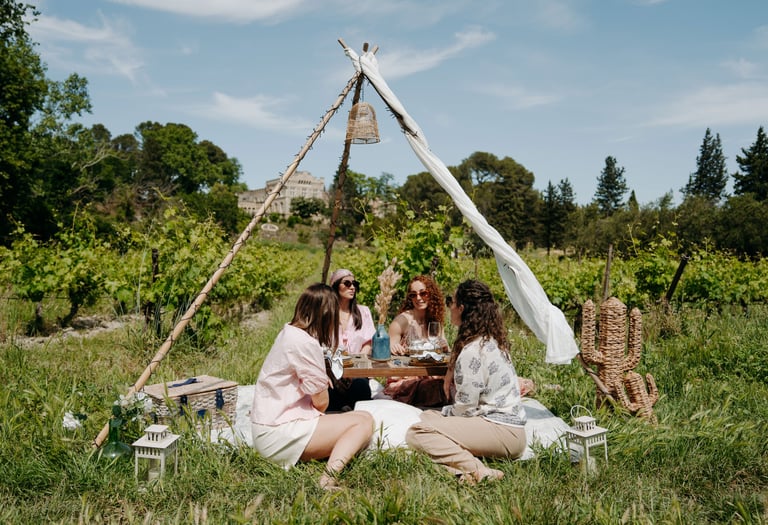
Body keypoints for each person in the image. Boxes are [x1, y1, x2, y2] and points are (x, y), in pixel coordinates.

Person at [250, 283, 374, 490]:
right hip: (278, 435)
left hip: (267, 426)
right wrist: (323, 383)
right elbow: (322, 403)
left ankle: (329, 458)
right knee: (364, 423)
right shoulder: (306, 344)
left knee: (360, 415)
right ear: (327, 315)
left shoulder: (289, 332)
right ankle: (327, 480)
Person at [405, 279, 527, 483]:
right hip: (512, 430)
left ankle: (477, 469)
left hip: (501, 431)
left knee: (417, 432)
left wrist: (444, 414)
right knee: (427, 416)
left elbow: (465, 409)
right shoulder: (491, 341)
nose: (449, 306)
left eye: (451, 301)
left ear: (461, 308)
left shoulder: (472, 352)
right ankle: (460, 472)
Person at [327, 269, 376, 411]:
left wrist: (354, 369)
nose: (352, 287)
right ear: (335, 286)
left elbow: (368, 343)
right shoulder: (326, 313)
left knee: (360, 386)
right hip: (332, 369)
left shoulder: (363, 311)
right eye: (347, 283)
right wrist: (336, 373)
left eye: (355, 284)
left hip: (358, 370)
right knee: (329, 391)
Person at [388, 275, 446, 356]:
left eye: (423, 293)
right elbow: (388, 348)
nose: (418, 298)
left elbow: (446, 348)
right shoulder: (401, 321)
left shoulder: (435, 319)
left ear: (431, 294)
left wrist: (444, 347)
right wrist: (394, 347)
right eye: (413, 295)